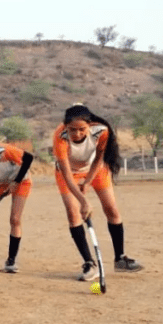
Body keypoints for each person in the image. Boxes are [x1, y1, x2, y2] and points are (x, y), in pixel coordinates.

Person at [53, 103, 143, 280]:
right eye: (72, 129)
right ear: (65, 127)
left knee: (112, 210)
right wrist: (83, 200)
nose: (77, 134)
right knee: (73, 214)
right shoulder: (60, 137)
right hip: (67, 173)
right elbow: (67, 175)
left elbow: (99, 159)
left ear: (90, 125)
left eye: (81, 129)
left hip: (96, 170)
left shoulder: (101, 131)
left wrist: (87, 183)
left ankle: (120, 258)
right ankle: (89, 263)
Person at [0, 144, 34, 273]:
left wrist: (16, 181)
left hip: (21, 181)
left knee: (15, 219)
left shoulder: (2, 152)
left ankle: (11, 261)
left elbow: (29, 158)